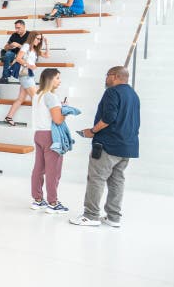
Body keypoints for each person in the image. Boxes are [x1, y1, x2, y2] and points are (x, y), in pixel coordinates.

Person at [71, 66, 140, 227]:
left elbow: (108, 118)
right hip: (127, 146)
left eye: (107, 75)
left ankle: (91, 216)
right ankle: (113, 217)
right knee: (117, 181)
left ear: (115, 76)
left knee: (96, 179)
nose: (105, 79)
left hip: (108, 145)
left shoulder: (112, 92)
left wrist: (92, 131)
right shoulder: (133, 94)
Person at [29, 68, 68, 214]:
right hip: (51, 136)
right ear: (50, 79)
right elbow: (57, 120)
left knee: (38, 169)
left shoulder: (37, 95)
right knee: (54, 171)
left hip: (39, 134)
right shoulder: (51, 96)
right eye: (57, 78)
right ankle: (53, 202)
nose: (60, 81)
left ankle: (38, 200)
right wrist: (65, 111)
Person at [4, 31, 49, 126]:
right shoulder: (26, 46)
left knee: (21, 98)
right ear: (32, 38)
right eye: (37, 38)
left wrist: (46, 43)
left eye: (40, 39)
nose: (38, 40)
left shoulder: (35, 49)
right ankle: (43, 119)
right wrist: (28, 65)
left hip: (28, 75)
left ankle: (9, 116)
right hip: (25, 74)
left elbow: (47, 56)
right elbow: (19, 58)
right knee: (36, 97)